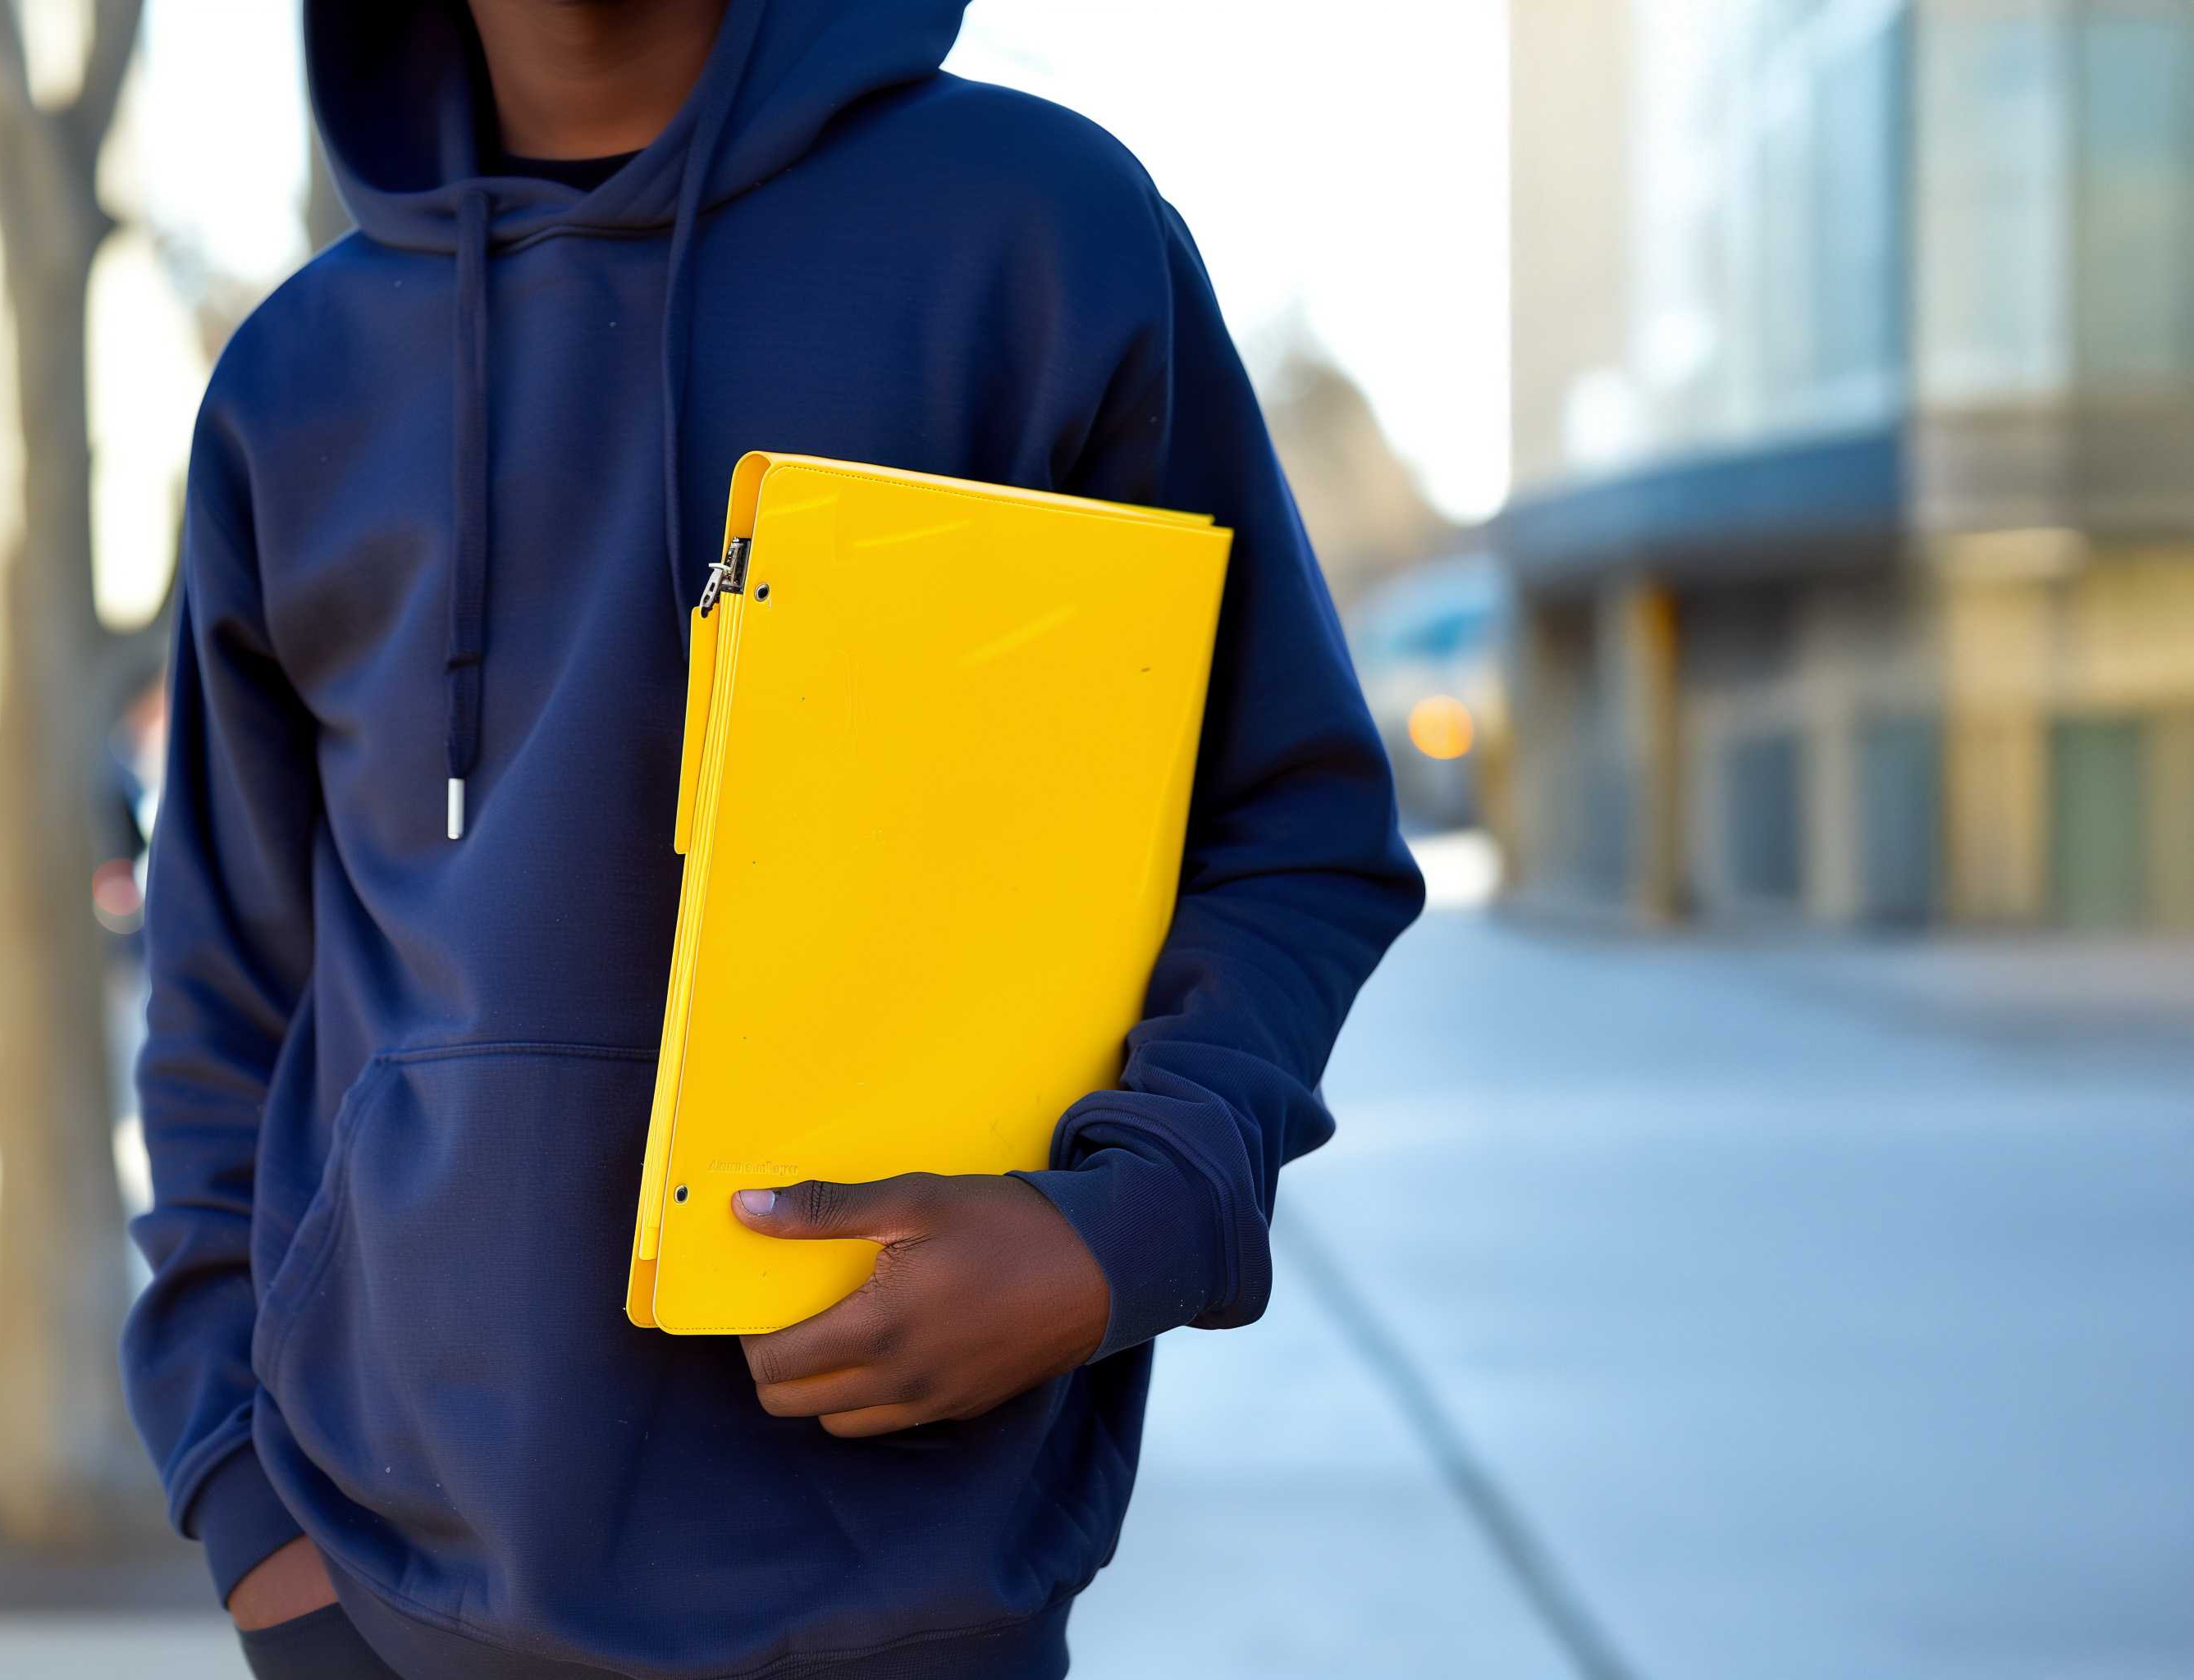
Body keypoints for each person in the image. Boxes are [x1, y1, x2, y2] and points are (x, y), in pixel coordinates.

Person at [123, 2, 1426, 1676]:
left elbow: (1290, 824)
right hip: (385, 1595)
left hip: (910, 1582)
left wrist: (1126, 1228)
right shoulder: (297, 381)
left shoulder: (1032, 237)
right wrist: (247, 1515)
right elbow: (225, 986)